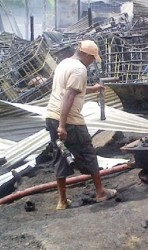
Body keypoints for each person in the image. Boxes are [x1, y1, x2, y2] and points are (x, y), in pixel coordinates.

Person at [45, 40, 117, 210]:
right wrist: (63, 126)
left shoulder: (65, 63)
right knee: (88, 153)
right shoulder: (79, 69)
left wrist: (95, 88)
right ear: (86, 55)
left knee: (61, 155)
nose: (92, 62)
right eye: (92, 58)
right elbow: (69, 96)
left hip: (51, 116)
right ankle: (100, 193)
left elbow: (72, 89)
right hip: (69, 120)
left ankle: (62, 201)